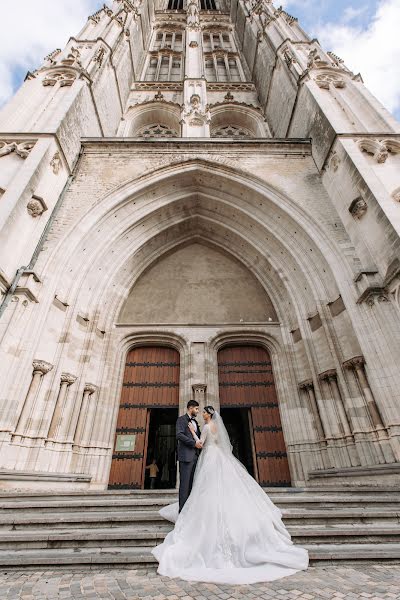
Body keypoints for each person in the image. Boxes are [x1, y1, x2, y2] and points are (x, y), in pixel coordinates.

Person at [152, 405, 309, 585]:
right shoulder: (217, 427)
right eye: (200, 411)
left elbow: (201, 444)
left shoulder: (204, 427)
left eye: (204, 412)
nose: (202, 414)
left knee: (208, 487)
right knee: (223, 485)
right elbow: (221, 443)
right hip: (219, 456)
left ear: (209, 415)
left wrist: (193, 434)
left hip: (209, 458)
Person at [175, 399, 202, 512]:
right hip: (186, 457)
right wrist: (193, 443)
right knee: (185, 486)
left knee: (193, 486)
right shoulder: (181, 419)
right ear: (190, 408)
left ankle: (190, 511)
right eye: (196, 409)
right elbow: (179, 435)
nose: (198, 411)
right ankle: (182, 512)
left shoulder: (195, 422)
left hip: (196, 457)